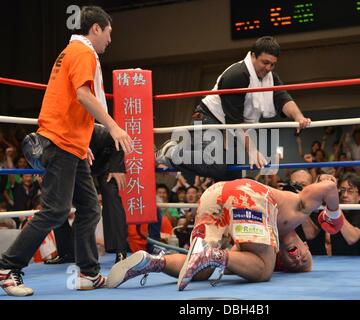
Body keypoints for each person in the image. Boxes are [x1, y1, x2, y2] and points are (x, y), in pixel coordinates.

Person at [0, 6, 133, 297]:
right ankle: (8, 267)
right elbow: (83, 95)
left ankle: (88, 272)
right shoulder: (84, 52)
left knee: (88, 207)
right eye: (109, 33)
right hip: (60, 143)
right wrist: (112, 126)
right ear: (96, 29)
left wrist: (83, 143)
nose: (110, 40)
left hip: (71, 144)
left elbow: (68, 100)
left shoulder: (70, 52)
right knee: (56, 210)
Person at [105, 178, 343, 291]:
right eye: (304, 257)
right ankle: (211, 255)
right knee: (262, 271)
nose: (299, 259)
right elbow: (329, 186)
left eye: (294, 264)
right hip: (247, 195)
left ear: (280, 255)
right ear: (305, 244)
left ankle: (153, 262)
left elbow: (240, 258)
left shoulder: (259, 243)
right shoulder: (297, 209)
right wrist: (334, 216)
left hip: (216, 193)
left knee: (200, 267)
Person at [156, 36, 311, 182]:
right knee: (216, 166)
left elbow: (283, 98)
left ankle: (224, 209)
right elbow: (234, 122)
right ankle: (171, 152)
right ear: (253, 56)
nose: (268, 68)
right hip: (208, 119)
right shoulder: (237, 75)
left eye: (272, 64)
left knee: (232, 176)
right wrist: (252, 150)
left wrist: (299, 117)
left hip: (229, 127)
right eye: (265, 62)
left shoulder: (270, 78)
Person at [45, 124, 129, 265]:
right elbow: (50, 155)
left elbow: (117, 139)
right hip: (76, 166)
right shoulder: (58, 135)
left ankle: (121, 251)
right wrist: (44, 169)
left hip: (104, 164)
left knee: (111, 194)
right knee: (57, 197)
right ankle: (67, 252)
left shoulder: (98, 132)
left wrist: (116, 168)